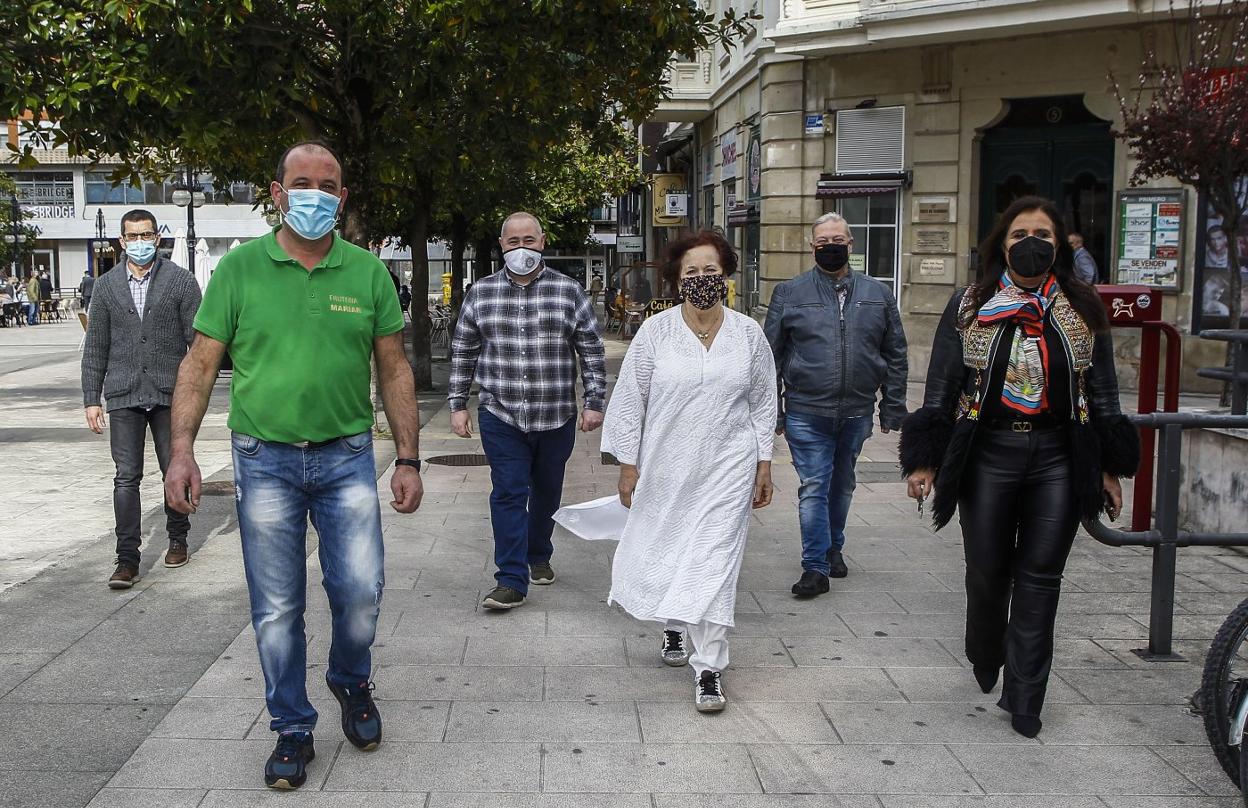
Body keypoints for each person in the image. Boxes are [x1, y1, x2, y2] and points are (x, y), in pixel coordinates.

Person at [163, 142, 424, 790]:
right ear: (276, 193)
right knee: (278, 606)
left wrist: (409, 458)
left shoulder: (367, 273)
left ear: (342, 197)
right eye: (299, 182)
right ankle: (293, 728)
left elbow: (393, 367)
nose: (313, 193)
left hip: (347, 459)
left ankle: (349, 679)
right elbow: (198, 364)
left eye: (326, 184)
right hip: (265, 461)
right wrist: (181, 452)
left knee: (360, 593)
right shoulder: (239, 271)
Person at [900, 195, 1139, 739]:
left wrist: (1109, 466)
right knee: (987, 572)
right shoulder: (970, 304)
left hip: (1058, 455)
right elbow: (941, 386)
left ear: (1059, 246)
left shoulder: (1081, 307)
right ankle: (986, 650)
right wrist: (925, 461)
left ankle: (1026, 695)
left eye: (1044, 236)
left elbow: (1103, 392)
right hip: (989, 454)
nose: (1032, 244)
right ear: (1002, 244)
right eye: (1019, 235)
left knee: (1040, 577)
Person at [603, 230, 776, 713]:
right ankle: (674, 623)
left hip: (729, 466)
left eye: (711, 271)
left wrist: (764, 462)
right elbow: (630, 401)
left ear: (726, 276)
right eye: (692, 272)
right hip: (667, 465)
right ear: (677, 280)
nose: (702, 280)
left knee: (715, 562)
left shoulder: (748, 334)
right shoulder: (655, 334)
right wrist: (627, 465)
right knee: (672, 547)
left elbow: (764, 401)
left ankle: (709, 669)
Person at [449, 211, 606, 611]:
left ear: (543, 241)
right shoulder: (481, 293)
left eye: (529, 241)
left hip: (556, 414)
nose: (522, 249)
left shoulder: (569, 292)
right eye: (513, 242)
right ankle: (511, 579)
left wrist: (593, 402)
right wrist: (458, 404)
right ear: (502, 246)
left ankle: (538, 552)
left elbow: (590, 349)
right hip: (500, 413)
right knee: (508, 492)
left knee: (547, 490)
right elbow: (464, 350)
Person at [763, 212, 908, 596]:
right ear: (812, 247)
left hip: (857, 411)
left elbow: (895, 352)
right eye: (823, 242)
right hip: (806, 411)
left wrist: (893, 405)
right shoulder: (789, 293)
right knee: (814, 484)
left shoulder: (878, 295)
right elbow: (770, 357)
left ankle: (834, 548)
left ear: (850, 243)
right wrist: (773, 410)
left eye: (837, 240)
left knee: (841, 485)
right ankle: (815, 567)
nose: (831, 247)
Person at [81, 210, 201, 588]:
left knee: (174, 469)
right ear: (121, 241)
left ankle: (178, 538)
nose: (140, 242)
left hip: (170, 394)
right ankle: (127, 559)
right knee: (125, 478)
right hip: (123, 393)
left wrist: (195, 392)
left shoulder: (181, 282)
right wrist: (91, 398)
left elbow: (197, 345)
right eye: (132, 236)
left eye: (146, 235)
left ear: (158, 238)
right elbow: (95, 346)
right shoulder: (105, 287)